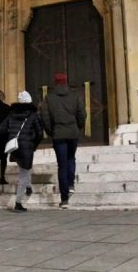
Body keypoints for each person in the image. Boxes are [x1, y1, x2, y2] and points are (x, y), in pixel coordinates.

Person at [40, 72, 86, 209]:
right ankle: (71, 184)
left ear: (55, 82)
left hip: (58, 134)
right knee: (71, 158)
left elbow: (45, 117)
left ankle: (64, 199)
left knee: (62, 165)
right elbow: (82, 114)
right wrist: (77, 127)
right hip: (72, 133)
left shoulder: (49, 98)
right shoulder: (75, 96)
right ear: (66, 82)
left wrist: (51, 131)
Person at [0, 91, 43, 212]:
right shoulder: (33, 115)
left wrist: (9, 138)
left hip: (15, 146)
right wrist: (34, 144)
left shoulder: (11, 114)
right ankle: (18, 203)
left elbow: (1, 129)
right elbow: (40, 133)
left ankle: (28, 186)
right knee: (24, 172)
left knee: (25, 167)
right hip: (27, 146)